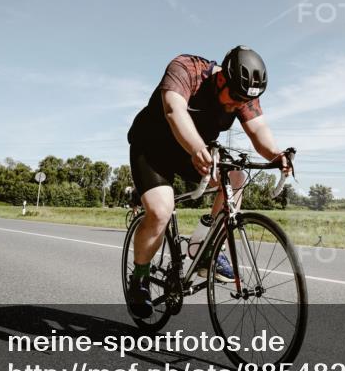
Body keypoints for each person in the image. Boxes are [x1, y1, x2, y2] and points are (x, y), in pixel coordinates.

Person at [125, 46, 291, 317]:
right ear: (222, 78)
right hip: (152, 147)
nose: (237, 106)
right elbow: (173, 111)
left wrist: (276, 154)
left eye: (243, 102)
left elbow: (259, 128)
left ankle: (204, 249)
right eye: (235, 98)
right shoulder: (187, 69)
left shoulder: (242, 95)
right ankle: (139, 279)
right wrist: (196, 147)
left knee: (236, 177)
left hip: (191, 151)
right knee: (160, 211)